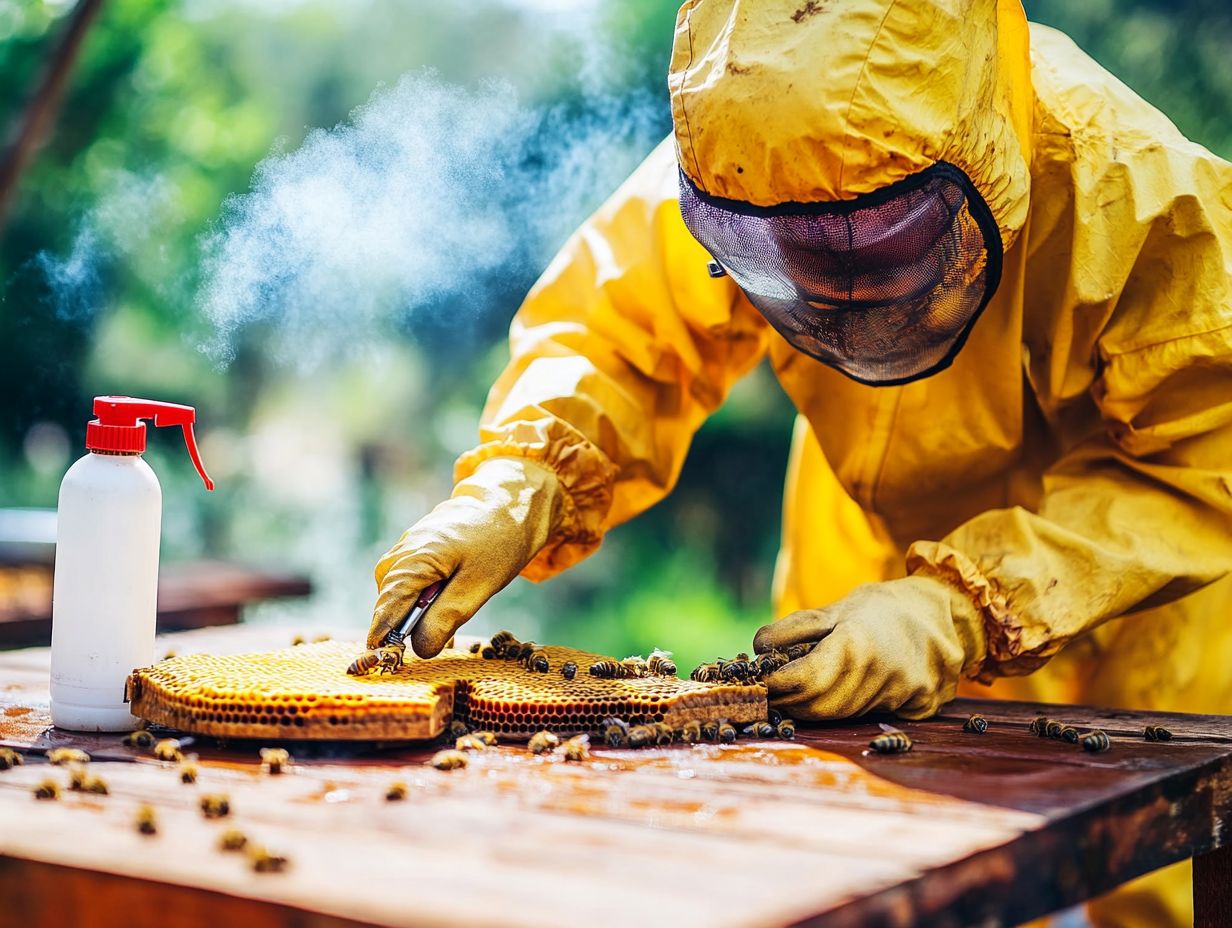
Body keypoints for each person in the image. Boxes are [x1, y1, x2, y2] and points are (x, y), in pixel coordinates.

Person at [368, 2, 1231, 923]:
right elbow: (613, 339)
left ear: (978, 166)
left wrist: (962, 606)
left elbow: (1208, 455)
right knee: (835, 846)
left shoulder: (1139, 189)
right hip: (864, 539)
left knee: (1155, 874)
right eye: (784, 262)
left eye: (871, 258)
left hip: (1138, 569)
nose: (829, 303)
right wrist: (520, 483)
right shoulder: (750, 153)